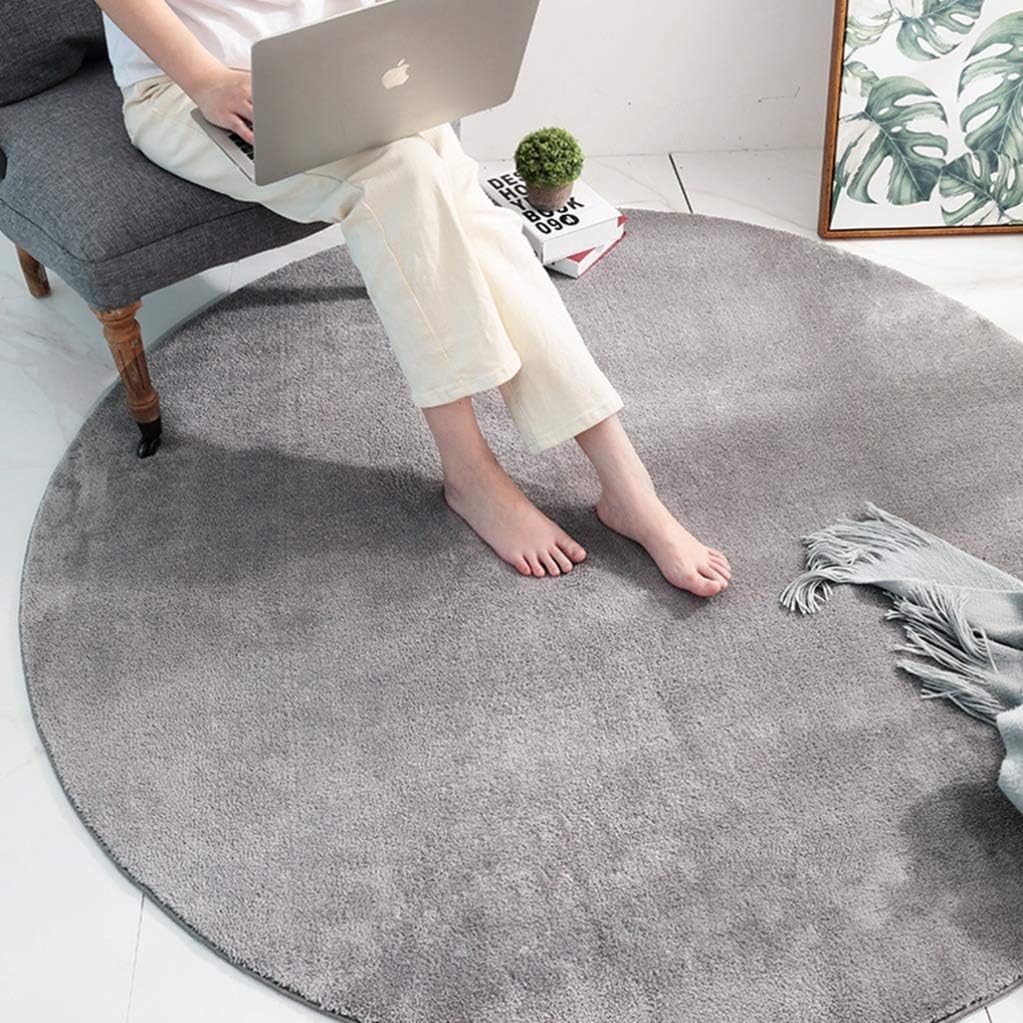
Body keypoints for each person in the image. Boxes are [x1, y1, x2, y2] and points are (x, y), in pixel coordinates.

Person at [97, 0, 732, 595]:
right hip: (189, 89)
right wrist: (206, 79)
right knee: (400, 174)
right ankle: (472, 474)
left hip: (329, 65)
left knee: (468, 208)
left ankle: (626, 487)